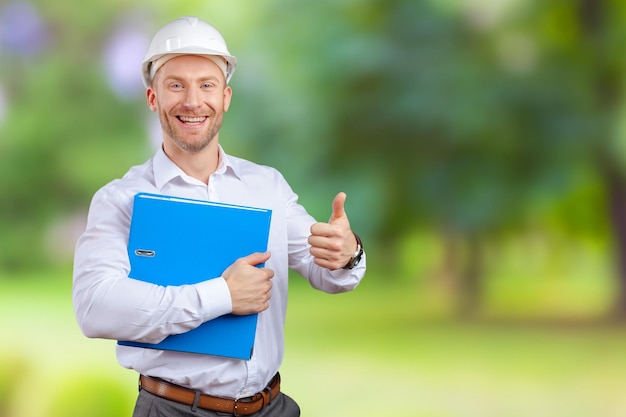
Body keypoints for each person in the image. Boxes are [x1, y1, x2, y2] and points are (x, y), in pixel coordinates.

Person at [72, 16, 366, 417]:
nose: (192, 101)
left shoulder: (268, 187)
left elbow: (330, 274)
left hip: (272, 407)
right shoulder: (121, 200)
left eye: (206, 85)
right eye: (176, 85)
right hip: (172, 410)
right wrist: (221, 296)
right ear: (152, 97)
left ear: (225, 97)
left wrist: (346, 252)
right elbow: (96, 309)